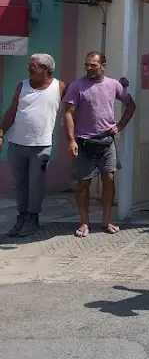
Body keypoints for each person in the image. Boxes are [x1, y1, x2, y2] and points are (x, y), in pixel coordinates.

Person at [63, 52, 136, 237]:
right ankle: (84, 222)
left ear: (103, 65)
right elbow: (68, 113)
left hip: (106, 141)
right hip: (84, 141)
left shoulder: (113, 85)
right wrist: (71, 140)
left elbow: (130, 105)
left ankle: (107, 219)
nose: (89, 68)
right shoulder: (77, 86)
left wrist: (120, 125)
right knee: (83, 183)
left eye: (93, 65)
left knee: (109, 179)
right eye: (86, 64)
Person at [0, 54, 65, 237]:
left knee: (36, 183)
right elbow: (12, 111)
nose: (29, 68)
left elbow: (73, 107)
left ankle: (32, 217)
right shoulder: (22, 86)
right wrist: (1, 132)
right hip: (17, 144)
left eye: (33, 65)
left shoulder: (59, 87)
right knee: (20, 183)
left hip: (41, 146)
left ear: (46, 69)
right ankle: (22, 216)